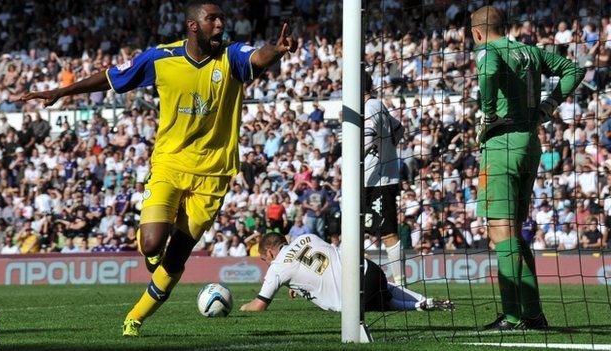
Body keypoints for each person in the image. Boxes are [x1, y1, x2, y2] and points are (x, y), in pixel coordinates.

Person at [18, 0, 297, 337]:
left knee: (177, 256)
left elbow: (258, 56)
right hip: (170, 163)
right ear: (193, 26)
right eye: (213, 19)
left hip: (214, 174)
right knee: (152, 244)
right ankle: (151, 257)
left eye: (222, 19)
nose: (220, 25)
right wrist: (63, 91)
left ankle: (133, 318)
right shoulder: (160, 59)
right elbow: (110, 77)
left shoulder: (231, 56)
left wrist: (276, 50)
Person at [470, 6, 584, 330]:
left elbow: (489, 71)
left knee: (500, 232)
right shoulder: (530, 51)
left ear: (477, 32)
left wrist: (488, 113)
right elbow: (574, 70)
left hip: (501, 146)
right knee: (514, 232)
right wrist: (548, 106)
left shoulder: (487, 50)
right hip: (529, 144)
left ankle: (512, 315)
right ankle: (533, 314)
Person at [240, 234, 452, 313]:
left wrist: (242, 307)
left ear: (269, 251)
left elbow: (259, 306)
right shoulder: (308, 236)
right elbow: (305, 265)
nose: (267, 264)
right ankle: (424, 301)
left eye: (264, 259)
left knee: (379, 303)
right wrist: (295, 285)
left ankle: (419, 305)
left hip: (353, 297)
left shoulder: (277, 268)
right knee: (385, 290)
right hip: (370, 269)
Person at [363, 71, 404, 286]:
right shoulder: (377, 106)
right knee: (355, 232)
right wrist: (387, 147)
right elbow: (399, 129)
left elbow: (367, 141)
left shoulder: (371, 107)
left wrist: (353, 157)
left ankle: (400, 283)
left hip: (376, 180)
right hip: (370, 178)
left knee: (387, 233)